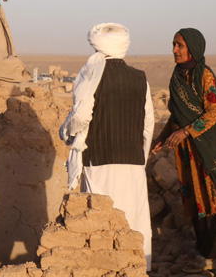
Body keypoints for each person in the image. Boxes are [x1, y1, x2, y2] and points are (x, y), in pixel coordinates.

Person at [59, 23, 154, 270]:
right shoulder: (140, 78)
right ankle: (137, 268)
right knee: (133, 219)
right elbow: (148, 124)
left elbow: (81, 116)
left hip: (99, 158)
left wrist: (67, 132)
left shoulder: (91, 74)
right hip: (132, 160)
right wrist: (140, 156)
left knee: (100, 221)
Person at [151, 28, 216, 272]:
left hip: (202, 146)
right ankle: (201, 249)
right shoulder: (178, 75)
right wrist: (164, 136)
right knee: (192, 196)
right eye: (173, 44)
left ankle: (211, 255)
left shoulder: (205, 76)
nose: (174, 50)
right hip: (185, 150)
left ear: (193, 48)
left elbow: (214, 112)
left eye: (180, 45)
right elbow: (177, 113)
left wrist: (186, 132)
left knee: (206, 197)